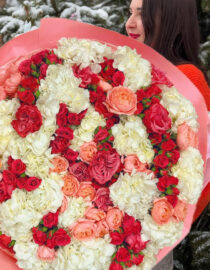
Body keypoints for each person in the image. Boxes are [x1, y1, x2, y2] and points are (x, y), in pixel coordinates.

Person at [125, 0, 210, 110]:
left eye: (142, 14)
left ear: (171, 21)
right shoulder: (124, 68)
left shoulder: (186, 76)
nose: (129, 24)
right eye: (131, 13)